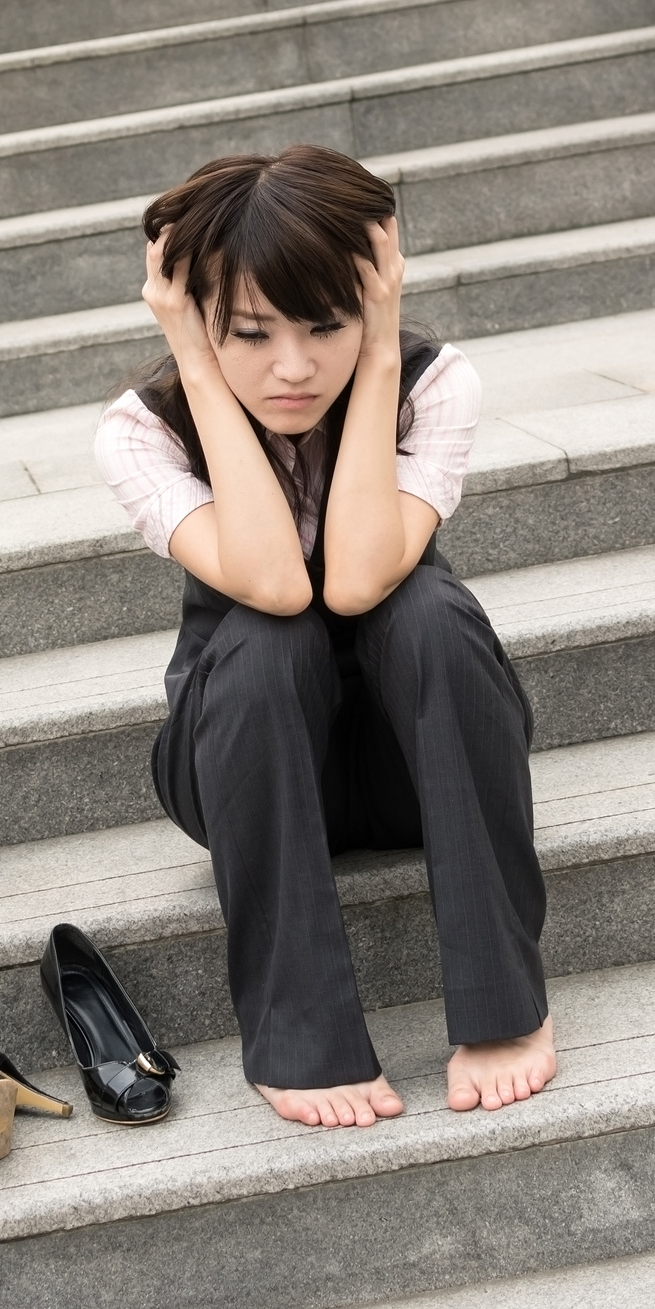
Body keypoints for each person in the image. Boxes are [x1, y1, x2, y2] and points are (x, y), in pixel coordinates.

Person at [94, 145, 555, 1129]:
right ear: (192, 312)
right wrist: (196, 363)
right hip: (242, 764)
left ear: (371, 300)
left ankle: (506, 1007)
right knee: (267, 639)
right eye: (250, 332)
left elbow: (352, 583)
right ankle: (300, 1037)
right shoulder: (144, 432)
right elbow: (269, 581)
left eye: (327, 324)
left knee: (424, 608)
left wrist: (382, 352)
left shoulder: (434, 385)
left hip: (412, 757)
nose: (293, 367)